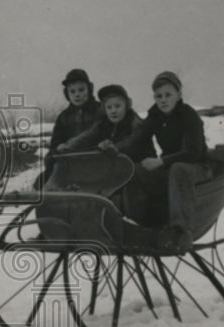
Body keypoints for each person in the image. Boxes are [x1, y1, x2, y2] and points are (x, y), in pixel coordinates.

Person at [134, 71, 211, 253]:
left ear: (179, 95)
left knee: (178, 170)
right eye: (158, 96)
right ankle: (144, 225)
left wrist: (161, 161)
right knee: (138, 170)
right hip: (172, 167)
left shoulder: (189, 116)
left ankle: (181, 232)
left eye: (168, 95)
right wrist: (113, 148)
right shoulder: (155, 116)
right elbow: (137, 139)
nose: (163, 100)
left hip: (199, 167)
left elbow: (193, 153)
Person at [57, 84, 156, 218]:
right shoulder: (103, 124)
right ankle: (84, 217)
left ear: (127, 105)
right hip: (117, 167)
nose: (113, 111)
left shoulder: (134, 122)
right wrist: (68, 146)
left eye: (117, 106)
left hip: (139, 166)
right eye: (109, 107)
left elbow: (134, 140)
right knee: (91, 180)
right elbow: (87, 136)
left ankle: (127, 218)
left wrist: (116, 147)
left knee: (125, 185)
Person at [38, 68, 100, 187]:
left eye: (81, 90)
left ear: (89, 89)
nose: (77, 94)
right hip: (70, 164)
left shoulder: (99, 111)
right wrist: (54, 154)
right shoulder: (64, 117)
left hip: (95, 161)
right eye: (72, 91)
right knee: (42, 183)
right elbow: (56, 143)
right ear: (67, 94)